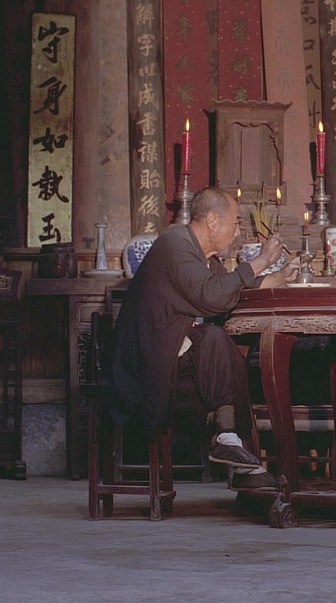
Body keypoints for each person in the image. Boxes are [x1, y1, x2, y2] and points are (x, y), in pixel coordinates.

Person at [111, 186, 299, 490]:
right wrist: (261, 261)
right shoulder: (173, 245)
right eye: (235, 223)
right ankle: (236, 451)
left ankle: (232, 444)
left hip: (173, 363)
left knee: (222, 348)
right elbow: (213, 296)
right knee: (213, 339)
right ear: (212, 220)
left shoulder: (204, 258)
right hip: (145, 371)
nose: (237, 233)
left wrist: (276, 278)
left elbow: (227, 288)